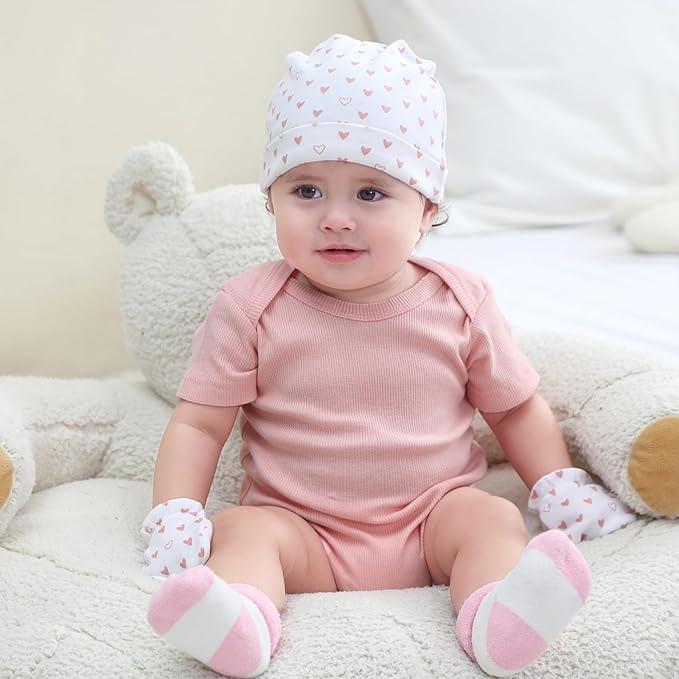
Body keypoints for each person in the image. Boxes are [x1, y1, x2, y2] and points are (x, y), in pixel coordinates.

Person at [140, 34, 635, 678]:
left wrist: (557, 483)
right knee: (242, 530)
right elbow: (201, 422)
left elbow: (514, 408)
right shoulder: (249, 305)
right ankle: (241, 622)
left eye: (370, 194)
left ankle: (498, 617)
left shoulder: (461, 302)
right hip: (302, 530)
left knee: (491, 516)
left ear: (426, 209)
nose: (335, 218)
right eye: (306, 191)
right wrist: (176, 512)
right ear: (271, 200)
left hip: (432, 522)